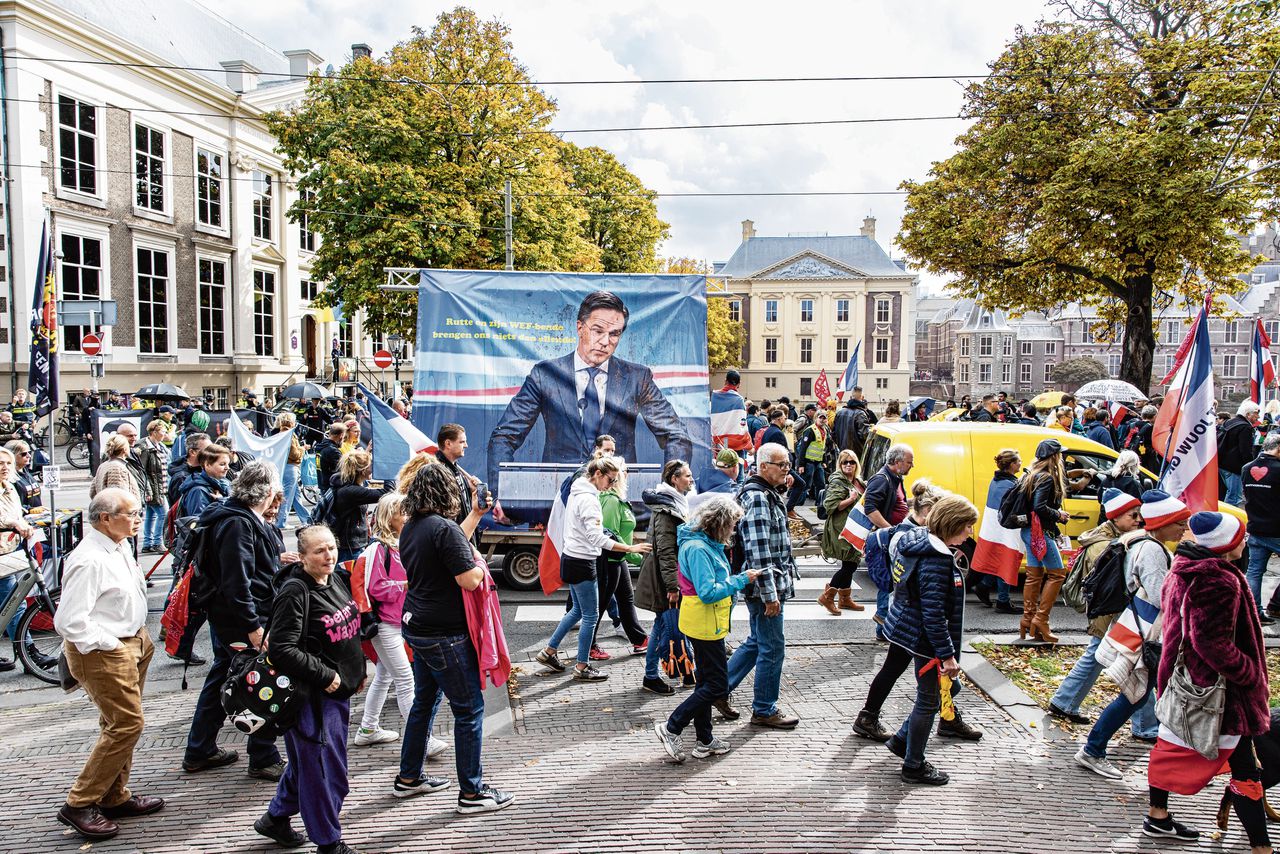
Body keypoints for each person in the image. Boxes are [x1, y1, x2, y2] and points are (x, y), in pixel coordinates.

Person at [487, 290, 692, 510]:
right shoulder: (545, 374)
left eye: (614, 334)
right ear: (580, 328)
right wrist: (502, 495)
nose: (605, 341)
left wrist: (672, 493)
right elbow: (504, 436)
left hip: (618, 503)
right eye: (597, 331)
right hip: (558, 503)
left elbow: (676, 435)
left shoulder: (636, 378)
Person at [1143, 511, 1270, 848]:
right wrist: (1249, 672)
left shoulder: (1184, 567)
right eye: (1241, 536)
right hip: (1219, 692)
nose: (1245, 541)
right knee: (1246, 771)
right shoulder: (1218, 579)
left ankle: (1157, 817)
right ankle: (1262, 846)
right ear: (1227, 544)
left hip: (1181, 681)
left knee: (1168, 749)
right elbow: (1210, 642)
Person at [394, 461, 514, 813]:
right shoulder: (442, 528)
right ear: (446, 491)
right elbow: (469, 579)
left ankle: (409, 778)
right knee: (469, 710)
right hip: (445, 634)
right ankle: (472, 793)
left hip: (417, 626)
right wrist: (479, 564)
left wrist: (475, 516)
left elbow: (448, 544)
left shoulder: (414, 527)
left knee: (424, 703)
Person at [53, 488, 162, 839]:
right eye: (130, 514)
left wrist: (137, 639)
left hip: (131, 642)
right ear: (105, 518)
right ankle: (79, 803)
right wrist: (111, 644)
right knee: (126, 725)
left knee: (118, 724)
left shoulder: (118, 546)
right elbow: (69, 620)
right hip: (105, 651)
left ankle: (114, 795)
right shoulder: (89, 559)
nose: (137, 519)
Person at [253, 524, 366, 854]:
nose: (329, 555)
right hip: (311, 699)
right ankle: (329, 843)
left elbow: (348, 631)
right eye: (319, 550)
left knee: (308, 763)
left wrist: (354, 672)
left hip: (337, 694)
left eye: (331, 547)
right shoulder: (294, 591)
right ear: (302, 556)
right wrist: (327, 676)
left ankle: (275, 818)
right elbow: (282, 649)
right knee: (325, 772)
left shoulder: (335, 580)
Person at [183, 461, 287, 782]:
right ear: (268, 492)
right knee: (261, 681)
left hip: (232, 617)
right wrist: (254, 626)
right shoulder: (238, 524)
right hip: (243, 619)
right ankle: (263, 755)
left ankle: (200, 748)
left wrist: (277, 559)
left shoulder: (233, 516)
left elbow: (244, 568)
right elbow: (236, 581)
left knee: (223, 675)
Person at [1075, 489, 1190, 780]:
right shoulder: (1152, 550)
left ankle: (1097, 747)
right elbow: (1160, 595)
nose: (1183, 528)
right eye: (1179, 523)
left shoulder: (1144, 544)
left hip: (1138, 627)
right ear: (1162, 522)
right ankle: (1093, 749)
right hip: (1147, 632)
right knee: (1134, 694)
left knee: (1137, 694)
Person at [855, 483, 976, 740]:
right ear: (932, 511)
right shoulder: (922, 543)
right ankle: (907, 745)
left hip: (905, 620)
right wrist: (946, 653)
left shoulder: (914, 536)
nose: (969, 532)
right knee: (933, 690)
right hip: (914, 623)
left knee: (897, 671)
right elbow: (926, 600)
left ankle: (872, 717)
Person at [653, 496, 762, 763]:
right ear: (720, 524)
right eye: (733, 524)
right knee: (716, 685)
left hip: (703, 621)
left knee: (704, 682)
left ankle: (705, 740)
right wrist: (740, 580)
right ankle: (672, 726)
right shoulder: (700, 549)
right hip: (705, 623)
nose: (734, 530)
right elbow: (708, 592)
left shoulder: (700, 543)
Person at [881, 494, 979, 785]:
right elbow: (933, 613)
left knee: (949, 690)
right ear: (952, 524)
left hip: (910, 630)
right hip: (925, 638)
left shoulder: (920, 542)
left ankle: (902, 740)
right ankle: (913, 765)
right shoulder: (936, 559)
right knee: (930, 699)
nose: (970, 533)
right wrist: (947, 655)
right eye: (967, 526)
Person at [537, 456, 652, 681]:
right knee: (590, 615)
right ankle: (582, 666)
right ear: (598, 475)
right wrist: (630, 548)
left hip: (570, 558)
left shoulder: (577, 492)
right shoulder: (590, 500)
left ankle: (549, 651)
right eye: (610, 480)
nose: (611, 485)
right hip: (583, 562)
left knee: (577, 611)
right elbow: (596, 537)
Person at [354, 493, 450, 759]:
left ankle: (368, 729)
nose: (408, 516)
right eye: (402, 512)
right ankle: (422, 740)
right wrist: (405, 585)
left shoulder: (398, 545)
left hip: (397, 622)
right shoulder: (378, 549)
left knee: (385, 675)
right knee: (406, 680)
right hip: (385, 624)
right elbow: (376, 587)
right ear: (389, 516)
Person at [1047, 488, 1152, 732]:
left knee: (1098, 658)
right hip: (1109, 612)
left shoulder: (1106, 539)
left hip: (1106, 612)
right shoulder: (1108, 546)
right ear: (1115, 518)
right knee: (1136, 664)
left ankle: (1064, 701)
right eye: (1133, 516)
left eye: (1139, 515)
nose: (1138, 520)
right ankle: (1146, 726)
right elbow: (1114, 584)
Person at [723, 442, 801, 729]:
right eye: (781, 465)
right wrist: (770, 594)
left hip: (765, 583)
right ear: (763, 466)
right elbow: (758, 550)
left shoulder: (763, 492)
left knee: (758, 642)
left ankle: (718, 690)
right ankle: (764, 708)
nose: (786, 470)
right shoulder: (757, 497)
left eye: (788, 464)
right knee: (772, 648)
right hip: (764, 586)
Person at [636, 459, 695, 696]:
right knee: (663, 626)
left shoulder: (675, 503)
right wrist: (672, 586)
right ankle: (651, 676)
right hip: (665, 579)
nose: (691, 480)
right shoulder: (666, 510)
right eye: (687, 476)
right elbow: (666, 551)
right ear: (674, 479)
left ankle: (685, 669)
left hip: (672, 576)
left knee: (671, 624)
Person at [590, 460, 650, 659]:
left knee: (626, 600)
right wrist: (637, 556)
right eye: (626, 471)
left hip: (618, 559)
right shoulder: (611, 500)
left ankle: (639, 639)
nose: (627, 475)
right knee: (600, 605)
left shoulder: (617, 499)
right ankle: (588, 645)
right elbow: (610, 535)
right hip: (610, 560)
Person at [1017, 438, 1071, 642]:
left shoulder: (1031, 475)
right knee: (1057, 573)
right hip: (1039, 532)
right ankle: (1041, 620)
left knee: (1034, 575)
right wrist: (1059, 515)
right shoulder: (1047, 478)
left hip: (1028, 530)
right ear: (1054, 456)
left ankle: (1028, 619)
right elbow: (1039, 508)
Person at [972, 449, 1023, 614]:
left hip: (994, 528)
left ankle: (984, 585)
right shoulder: (1010, 485)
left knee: (997, 560)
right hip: (1006, 529)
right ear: (1011, 465)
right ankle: (1003, 600)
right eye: (1018, 461)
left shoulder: (996, 481)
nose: (1021, 463)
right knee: (1006, 561)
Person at [818, 449, 865, 616]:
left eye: (851, 462)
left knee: (850, 563)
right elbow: (830, 506)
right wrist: (851, 499)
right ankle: (827, 596)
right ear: (840, 464)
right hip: (842, 528)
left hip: (854, 527)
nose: (848, 465)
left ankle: (844, 599)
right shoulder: (839, 481)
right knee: (850, 564)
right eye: (844, 462)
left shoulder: (857, 480)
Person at [329, 449, 395, 564]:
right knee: (351, 579)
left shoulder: (346, 484)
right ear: (363, 471)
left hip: (349, 543)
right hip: (350, 547)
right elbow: (387, 492)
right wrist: (387, 471)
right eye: (371, 466)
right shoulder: (351, 491)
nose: (373, 469)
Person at [1242, 431, 1280, 623]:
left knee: (1254, 572)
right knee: (1255, 571)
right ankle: (1275, 605)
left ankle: (1254, 611)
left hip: (1256, 526)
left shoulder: (1247, 468)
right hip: (1276, 529)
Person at [1220, 401, 1261, 507]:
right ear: (1248, 414)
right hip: (1234, 467)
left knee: (1226, 494)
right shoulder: (1245, 427)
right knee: (1234, 498)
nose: (1258, 416)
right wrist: (1250, 466)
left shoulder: (1230, 422)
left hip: (1221, 464)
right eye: (1256, 413)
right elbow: (1245, 451)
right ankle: (1232, 521)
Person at [136, 421, 168, 553]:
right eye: (163, 431)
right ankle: (156, 542)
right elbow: (141, 471)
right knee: (163, 514)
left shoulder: (159, 445)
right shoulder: (145, 447)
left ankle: (148, 543)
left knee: (151, 515)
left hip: (159, 487)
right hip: (154, 489)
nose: (165, 434)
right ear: (154, 432)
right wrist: (147, 490)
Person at [435, 423, 477, 525]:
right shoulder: (437, 473)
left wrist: (470, 491)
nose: (466, 446)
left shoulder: (456, 470)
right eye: (462, 442)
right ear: (448, 444)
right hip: (452, 535)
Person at [178, 444, 232, 518]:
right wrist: (221, 502)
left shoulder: (225, 483)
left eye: (228, 464)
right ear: (207, 465)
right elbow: (199, 522)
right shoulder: (198, 491)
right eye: (222, 464)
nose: (227, 468)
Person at [795, 409, 830, 507]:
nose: (822, 420)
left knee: (821, 484)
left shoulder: (824, 430)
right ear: (816, 418)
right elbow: (803, 448)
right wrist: (801, 465)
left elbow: (822, 447)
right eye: (820, 418)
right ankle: (798, 506)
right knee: (805, 485)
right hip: (808, 462)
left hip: (818, 463)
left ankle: (819, 505)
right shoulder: (810, 430)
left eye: (824, 418)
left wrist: (823, 461)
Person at [711, 369, 751, 453]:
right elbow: (743, 424)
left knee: (720, 465)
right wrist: (749, 445)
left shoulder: (713, 396)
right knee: (734, 464)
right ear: (739, 384)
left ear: (725, 381)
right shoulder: (738, 400)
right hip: (734, 445)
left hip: (717, 443)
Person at [166, 432, 209, 505]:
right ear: (192, 452)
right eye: (207, 450)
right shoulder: (181, 478)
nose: (212, 453)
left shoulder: (206, 470)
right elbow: (182, 509)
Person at [832, 386, 874, 458]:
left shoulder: (840, 412)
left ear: (851, 397)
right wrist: (872, 431)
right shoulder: (860, 413)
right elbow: (864, 435)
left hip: (841, 452)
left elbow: (834, 434)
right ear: (862, 397)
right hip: (855, 455)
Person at [6, 439, 40, 511]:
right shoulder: (9, 478)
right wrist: (30, 510)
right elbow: (10, 504)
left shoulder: (26, 472)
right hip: (23, 518)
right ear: (12, 456)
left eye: (29, 452)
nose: (29, 456)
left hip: (38, 518)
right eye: (24, 454)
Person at [315, 423, 346, 495]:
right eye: (344, 437)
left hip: (323, 485)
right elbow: (344, 469)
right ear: (341, 435)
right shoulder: (333, 450)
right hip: (331, 487)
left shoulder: (321, 446)